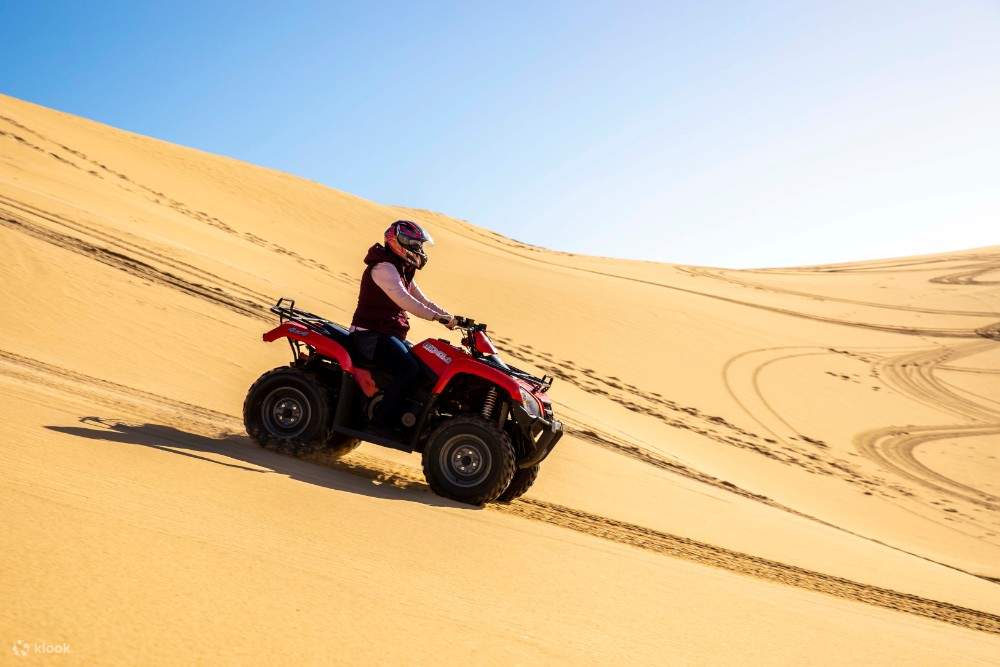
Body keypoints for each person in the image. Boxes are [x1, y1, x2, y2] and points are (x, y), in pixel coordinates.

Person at [350, 220, 456, 432]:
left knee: (424, 363)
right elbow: (405, 300)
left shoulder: (401, 268)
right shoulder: (384, 268)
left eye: (420, 246)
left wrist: (450, 316)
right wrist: (436, 318)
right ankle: (381, 421)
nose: (420, 250)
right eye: (416, 245)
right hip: (369, 336)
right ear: (399, 243)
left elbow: (422, 299)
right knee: (409, 368)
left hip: (387, 333)